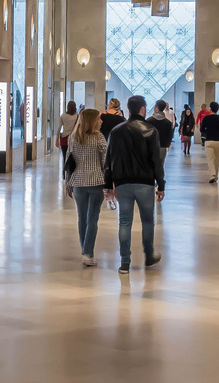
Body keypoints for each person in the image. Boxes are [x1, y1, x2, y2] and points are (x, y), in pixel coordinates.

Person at [104, 95, 164, 274]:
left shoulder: (116, 131)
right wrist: (161, 184)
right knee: (147, 221)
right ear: (143, 109)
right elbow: (156, 161)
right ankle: (149, 255)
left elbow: (110, 159)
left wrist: (108, 183)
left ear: (128, 109)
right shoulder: (151, 130)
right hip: (145, 183)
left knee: (124, 221)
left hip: (123, 182)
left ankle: (124, 262)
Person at [63, 109, 109, 266]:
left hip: (78, 183)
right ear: (93, 121)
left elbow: (69, 163)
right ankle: (88, 253)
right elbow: (105, 163)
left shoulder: (73, 138)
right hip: (96, 182)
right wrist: (109, 184)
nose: (101, 121)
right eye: (99, 119)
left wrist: (68, 184)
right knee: (92, 218)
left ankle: (86, 252)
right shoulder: (99, 138)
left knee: (82, 217)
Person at [198, 100, 219, 182]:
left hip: (208, 141)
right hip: (218, 141)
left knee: (210, 159)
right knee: (216, 159)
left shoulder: (206, 118)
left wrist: (207, 133)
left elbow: (202, 130)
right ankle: (216, 176)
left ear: (210, 109)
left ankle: (212, 175)